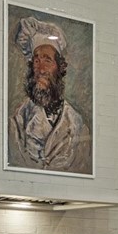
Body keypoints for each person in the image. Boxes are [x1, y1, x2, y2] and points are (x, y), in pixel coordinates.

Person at [9, 19, 92, 173]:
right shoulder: (16, 123)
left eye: (47, 60)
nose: (41, 69)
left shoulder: (79, 127)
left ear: (60, 68)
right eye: (36, 60)